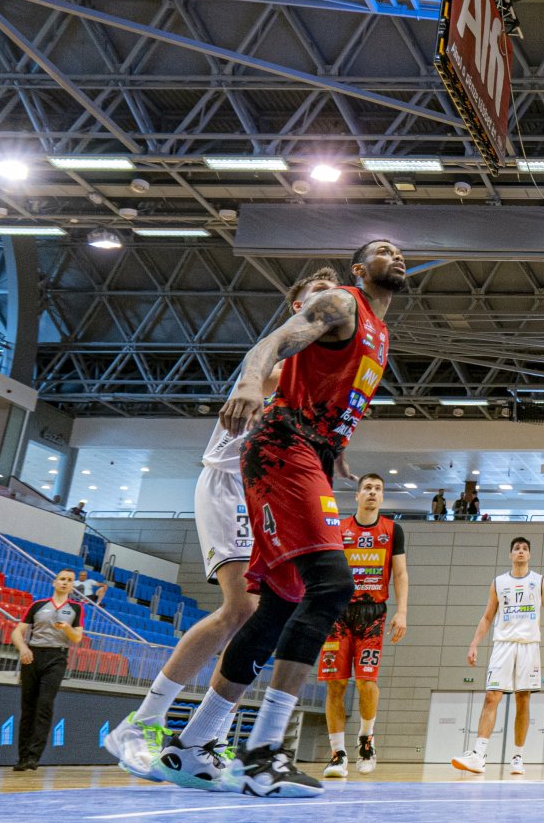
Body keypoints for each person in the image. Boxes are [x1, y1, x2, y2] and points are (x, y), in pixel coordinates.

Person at [156, 238, 403, 799]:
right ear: (360, 269)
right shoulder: (342, 302)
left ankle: (193, 742)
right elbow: (273, 342)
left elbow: (332, 393)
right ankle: (264, 753)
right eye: (384, 250)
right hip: (280, 447)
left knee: (279, 607)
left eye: (400, 251)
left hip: (307, 453)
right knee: (333, 586)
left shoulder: (381, 333)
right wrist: (250, 382)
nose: (398, 256)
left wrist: (335, 447)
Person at [103, 268, 340, 780]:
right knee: (242, 609)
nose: (329, 301)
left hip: (270, 493)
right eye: (317, 294)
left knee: (268, 613)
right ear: (297, 308)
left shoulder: (318, 374)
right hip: (231, 484)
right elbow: (267, 371)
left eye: (333, 294)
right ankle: (141, 723)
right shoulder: (282, 361)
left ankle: (203, 739)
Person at [318, 472, 410, 778]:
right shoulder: (339, 528)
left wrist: (402, 611)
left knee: (366, 682)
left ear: (382, 497)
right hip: (337, 613)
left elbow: (400, 574)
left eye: (378, 489)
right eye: (367, 488)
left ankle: (366, 740)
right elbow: (325, 569)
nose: (372, 492)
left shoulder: (393, 530)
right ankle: (337, 754)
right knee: (336, 683)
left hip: (373, 615)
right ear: (357, 495)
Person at [455, 536, 544, 776]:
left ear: (529, 554)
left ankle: (517, 757)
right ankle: (479, 755)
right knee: (491, 697)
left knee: (522, 699)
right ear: (510, 554)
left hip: (528, 646)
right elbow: (487, 617)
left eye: (525, 548)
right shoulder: (498, 582)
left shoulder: (540, 581)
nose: (521, 551)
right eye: (517, 548)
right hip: (502, 645)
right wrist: (474, 643)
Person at [12, 570, 87, 771]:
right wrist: (23, 648)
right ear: (55, 582)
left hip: (57, 657)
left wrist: (66, 628)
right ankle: (22, 757)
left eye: (69, 580)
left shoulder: (76, 608)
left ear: (72, 586)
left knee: (44, 704)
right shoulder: (38, 605)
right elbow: (17, 632)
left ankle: (33, 756)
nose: (65, 582)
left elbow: (77, 637)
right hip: (33, 655)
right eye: (62, 579)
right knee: (28, 707)